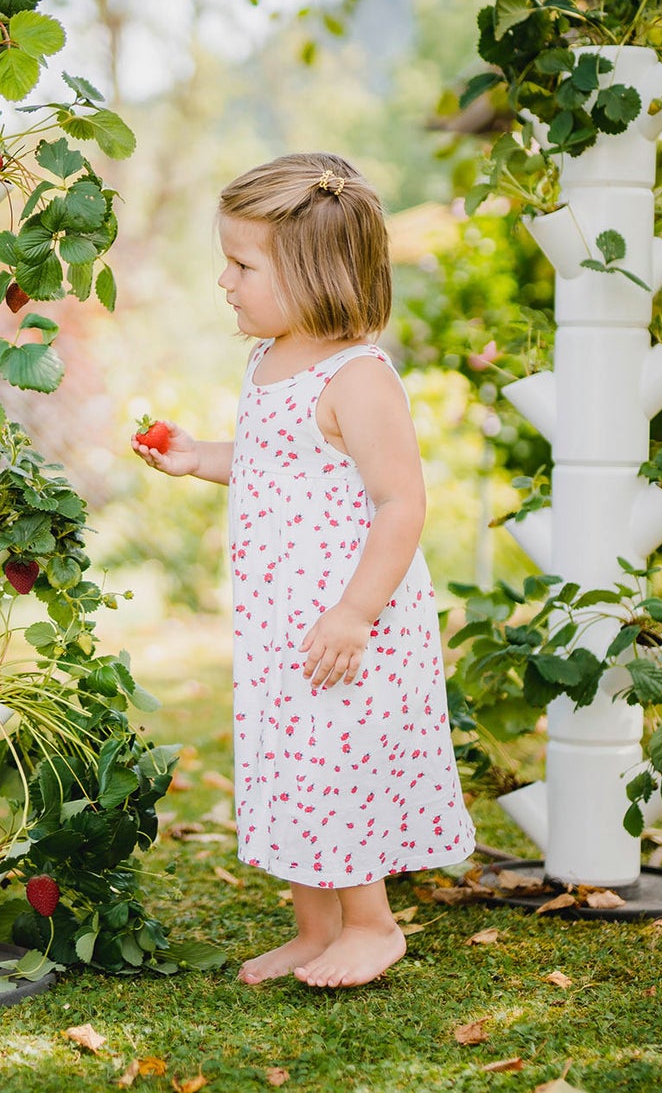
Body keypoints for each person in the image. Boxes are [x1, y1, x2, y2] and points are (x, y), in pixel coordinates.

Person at [134, 152, 476, 989]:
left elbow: (402, 503)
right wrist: (196, 457)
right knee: (292, 763)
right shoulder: (269, 362)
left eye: (242, 264)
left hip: (349, 622)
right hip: (282, 622)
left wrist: (355, 613)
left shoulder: (357, 375)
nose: (224, 280)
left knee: (340, 761)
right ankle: (314, 927)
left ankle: (372, 924)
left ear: (313, 272)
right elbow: (267, 461)